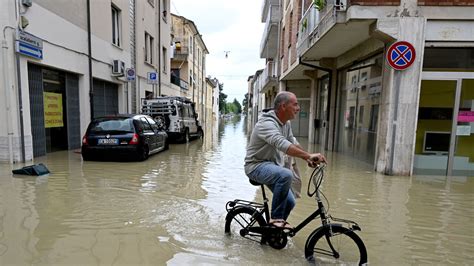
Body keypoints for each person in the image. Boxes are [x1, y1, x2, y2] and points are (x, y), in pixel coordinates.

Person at [244, 91, 326, 229]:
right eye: (295, 104)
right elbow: (283, 144)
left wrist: (308, 156)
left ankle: (274, 232)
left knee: (290, 202)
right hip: (256, 167)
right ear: (283, 106)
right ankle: (276, 219)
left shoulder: (285, 123)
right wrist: (307, 156)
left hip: (273, 167)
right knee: (285, 174)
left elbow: (292, 141)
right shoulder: (266, 124)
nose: (298, 108)